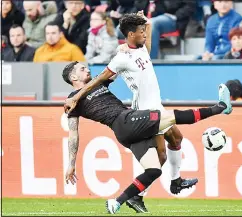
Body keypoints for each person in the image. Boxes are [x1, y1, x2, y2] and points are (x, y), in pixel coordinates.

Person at [63, 61, 232, 214]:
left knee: (154, 170)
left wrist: (126, 56)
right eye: (82, 68)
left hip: (126, 131)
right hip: (124, 121)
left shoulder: (97, 83)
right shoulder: (71, 100)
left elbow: (116, 69)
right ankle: (220, 107)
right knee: (171, 117)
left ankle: (117, 202)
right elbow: (73, 133)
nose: (87, 69)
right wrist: (71, 164)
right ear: (73, 76)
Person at [105, 12, 197, 213]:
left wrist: (145, 21)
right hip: (146, 113)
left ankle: (175, 181)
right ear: (131, 34)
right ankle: (136, 196)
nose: (144, 33)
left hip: (157, 107)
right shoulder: (123, 56)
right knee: (160, 158)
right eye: (140, 30)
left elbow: (147, 34)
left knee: (176, 139)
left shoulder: (141, 50)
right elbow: (106, 76)